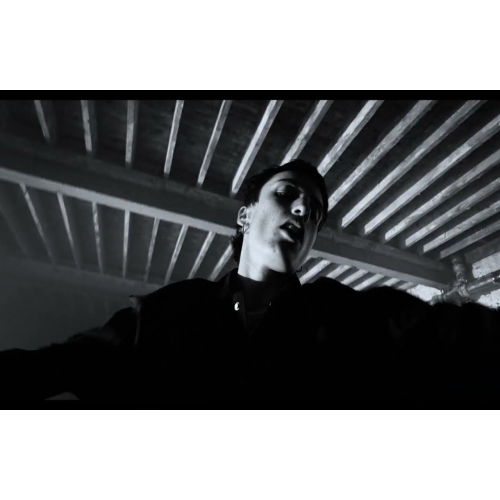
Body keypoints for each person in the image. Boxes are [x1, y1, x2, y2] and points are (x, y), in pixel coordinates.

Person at [1, 159, 500, 401]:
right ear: (245, 216)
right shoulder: (170, 310)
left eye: (314, 212)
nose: (303, 210)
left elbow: (454, 340)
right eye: (287, 194)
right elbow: (61, 364)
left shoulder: (342, 312)